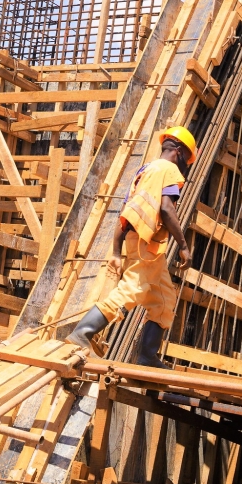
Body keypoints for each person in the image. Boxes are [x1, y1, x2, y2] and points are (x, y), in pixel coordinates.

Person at [65, 126, 197, 368]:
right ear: (179, 152)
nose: (185, 166)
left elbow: (128, 212)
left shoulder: (145, 171)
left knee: (164, 300)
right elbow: (167, 209)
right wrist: (184, 246)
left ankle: (147, 355)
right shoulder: (168, 171)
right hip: (146, 245)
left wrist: (116, 250)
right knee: (132, 289)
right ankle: (82, 332)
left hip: (143, 244)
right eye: (187, 160)